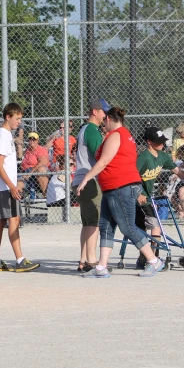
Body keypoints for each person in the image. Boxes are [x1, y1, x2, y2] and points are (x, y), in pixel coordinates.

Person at [75, 106, 166, 278]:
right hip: (112, 187)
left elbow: (103, 162)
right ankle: (101, 267)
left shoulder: (117, 135)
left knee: (128, 227)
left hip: (121, 187)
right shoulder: (123, 135)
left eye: (104, 122)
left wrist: (86, 178)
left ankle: (154, 260)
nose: (103, 125)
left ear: (109, 119)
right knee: (106, 226)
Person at [0, 103, 40, 273]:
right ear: (7, 117)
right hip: (5, 187)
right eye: (17, 118)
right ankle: (19, 260)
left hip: (3, 186)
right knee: (14, 219)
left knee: (1, 221)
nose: (19, 122)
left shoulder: (5, 135)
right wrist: (12, 186)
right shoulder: (3, 135)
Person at [71, 98, 108, 273]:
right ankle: (91, 262)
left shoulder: (84, 129)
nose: (105, 115)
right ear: (95, 112)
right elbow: (101, 156)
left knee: (87, 223)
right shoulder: (92, 130)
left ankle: (83, 260)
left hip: (80, 179)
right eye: (103, 112)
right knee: (93, 221)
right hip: (90, 181)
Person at [18, 132, 50, 197]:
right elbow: (19, 158)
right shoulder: (27, 150)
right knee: (18, 183)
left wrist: (30, 173)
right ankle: (18, 204)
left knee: (41, 169)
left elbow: (42, 163)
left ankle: (46, 196)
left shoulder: (41, 149)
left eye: (34, 139)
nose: (32, 141)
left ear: (37, 140)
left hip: (35, 174)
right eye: (30, 139)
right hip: (25, 173)